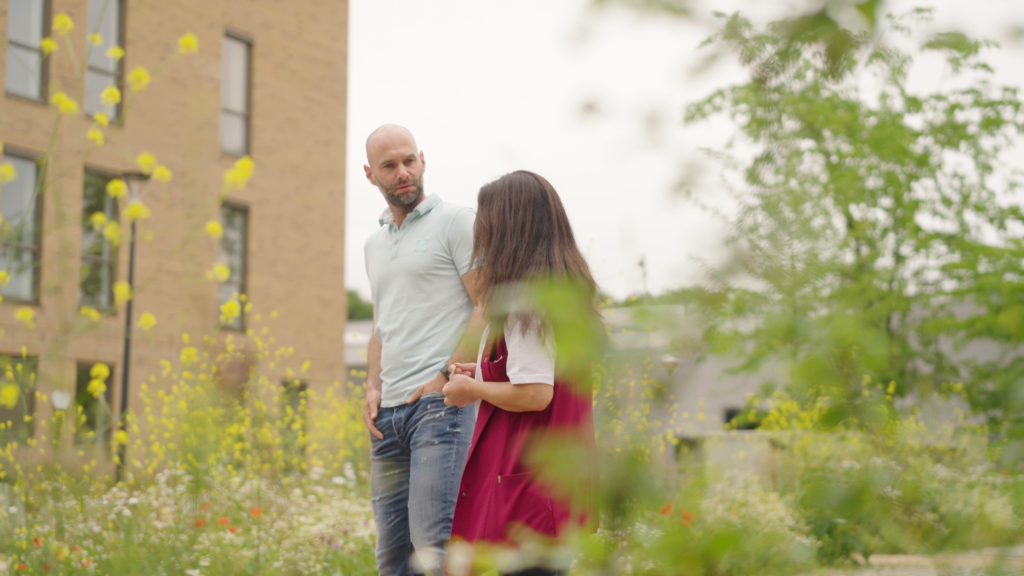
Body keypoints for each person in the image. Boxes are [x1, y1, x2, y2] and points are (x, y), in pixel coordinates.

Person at [442, 171, 601, 576]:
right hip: (552, 488)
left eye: (487, 221)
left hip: (529, 498)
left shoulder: (525, 300)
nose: (482, 232)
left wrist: (472, 389)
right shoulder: (559, 292)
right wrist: (482, 371)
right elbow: (538, 370)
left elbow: (536, 393)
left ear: (509, 227)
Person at [362, 124, 481, 575]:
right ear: (370, 174)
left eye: (409, 160)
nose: (403, 172)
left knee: (436, 549)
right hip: (387, 418)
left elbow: (486, 304)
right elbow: (381, 326)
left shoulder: (456, 221)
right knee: (392, 559)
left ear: (423, 160)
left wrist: (447, 377)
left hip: (438, 407)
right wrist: (371, 388)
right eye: (390, 166)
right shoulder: (374, 245)